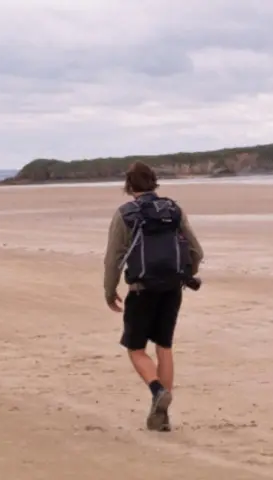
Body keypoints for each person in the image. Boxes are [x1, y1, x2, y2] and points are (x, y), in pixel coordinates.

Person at [103, 161, 204, 432]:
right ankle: (163, 417)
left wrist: (109, 290)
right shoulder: (173, 210)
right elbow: (196, 251)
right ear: (154, 182)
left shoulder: (126, 214)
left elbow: (113, 258)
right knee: (164, 346)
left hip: (141, 289)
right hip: (172, 288)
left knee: (136, 348)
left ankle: (158, 390)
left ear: (129, 185)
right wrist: (185, 274)